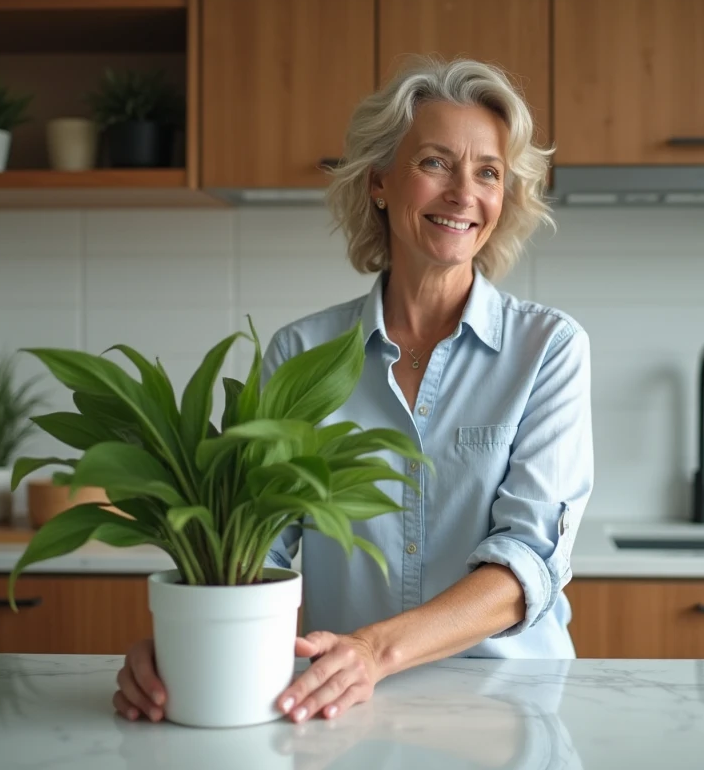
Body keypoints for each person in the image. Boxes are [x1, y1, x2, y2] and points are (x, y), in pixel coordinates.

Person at [113, 55, 594, 727]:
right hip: (340, 708)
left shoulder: (547, 350)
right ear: (379, 182)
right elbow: (255, 553)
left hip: (507, 713)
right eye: (434, 163)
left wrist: (375, 650)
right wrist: (184, 646)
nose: (464, 193)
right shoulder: (301, 354)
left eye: (488, 172)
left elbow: (526, 568)